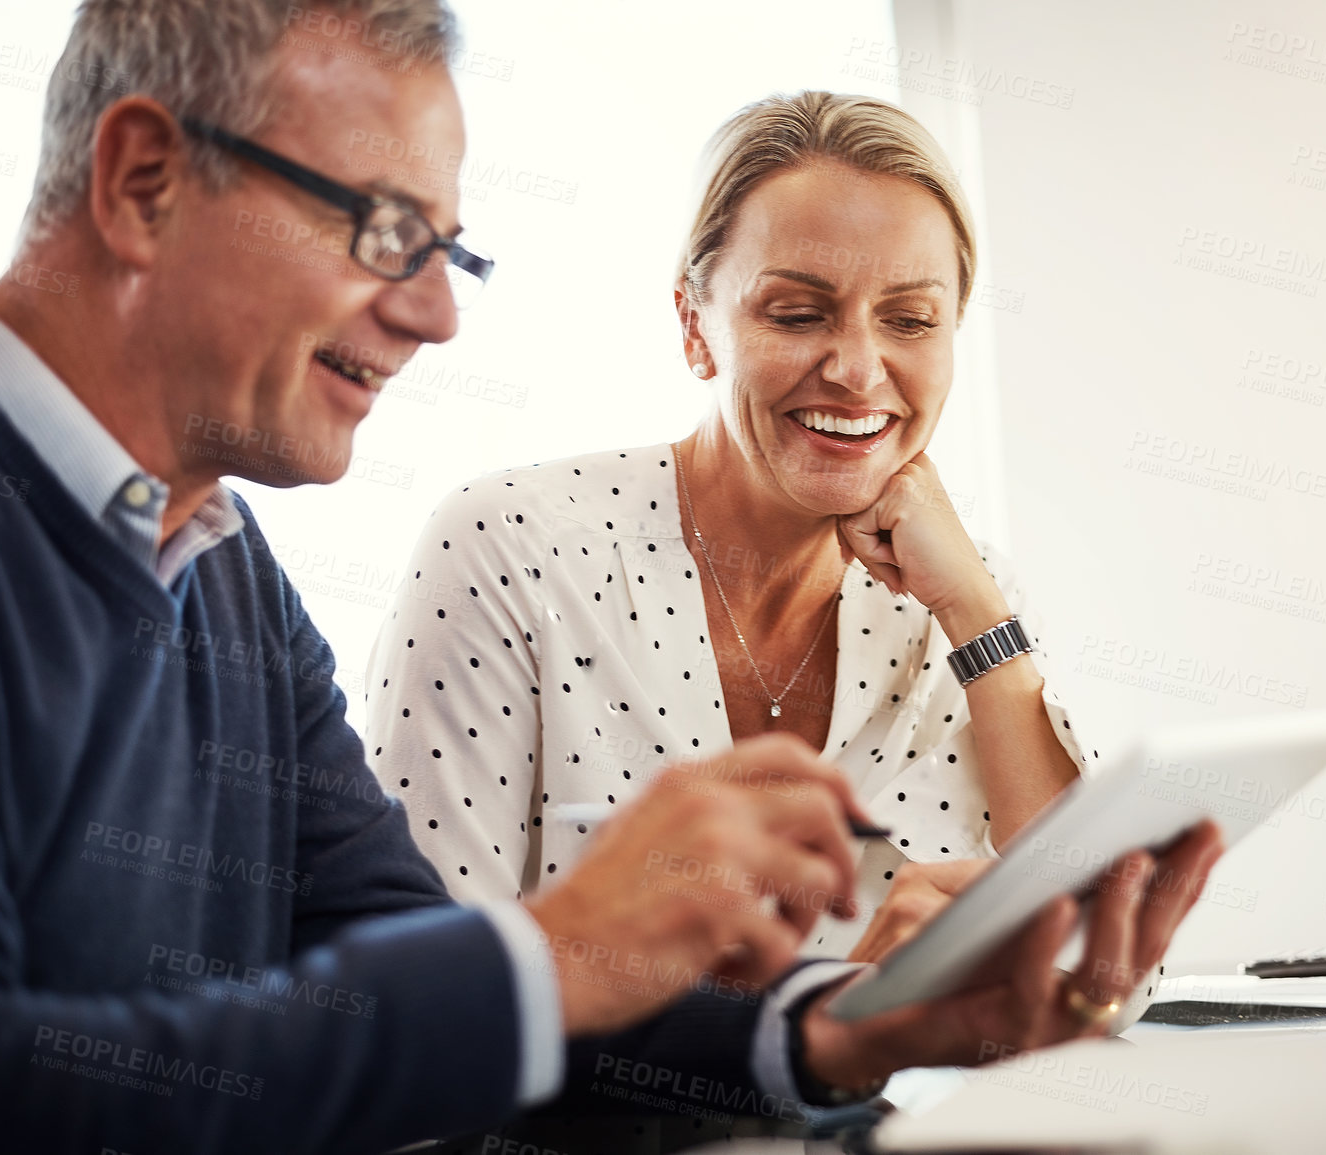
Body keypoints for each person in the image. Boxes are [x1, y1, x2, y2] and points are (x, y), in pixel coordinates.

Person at [0, 3, 1223, 1152]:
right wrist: (560, 944)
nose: (434, 312)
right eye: (381, 229)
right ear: (142, 182)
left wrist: (834, 1026)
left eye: (446, 251)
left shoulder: (222, 569)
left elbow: (420, 983)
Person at [367, 92, 1094, 956]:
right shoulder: (511, 550)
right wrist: (817, 1016)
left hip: (904, 1100)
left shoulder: (969, 603)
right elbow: (423, 980)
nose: (860, 370)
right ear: (694, 325)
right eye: (797, 314)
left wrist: (975, 613)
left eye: (909, 320)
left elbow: (1109, 968)